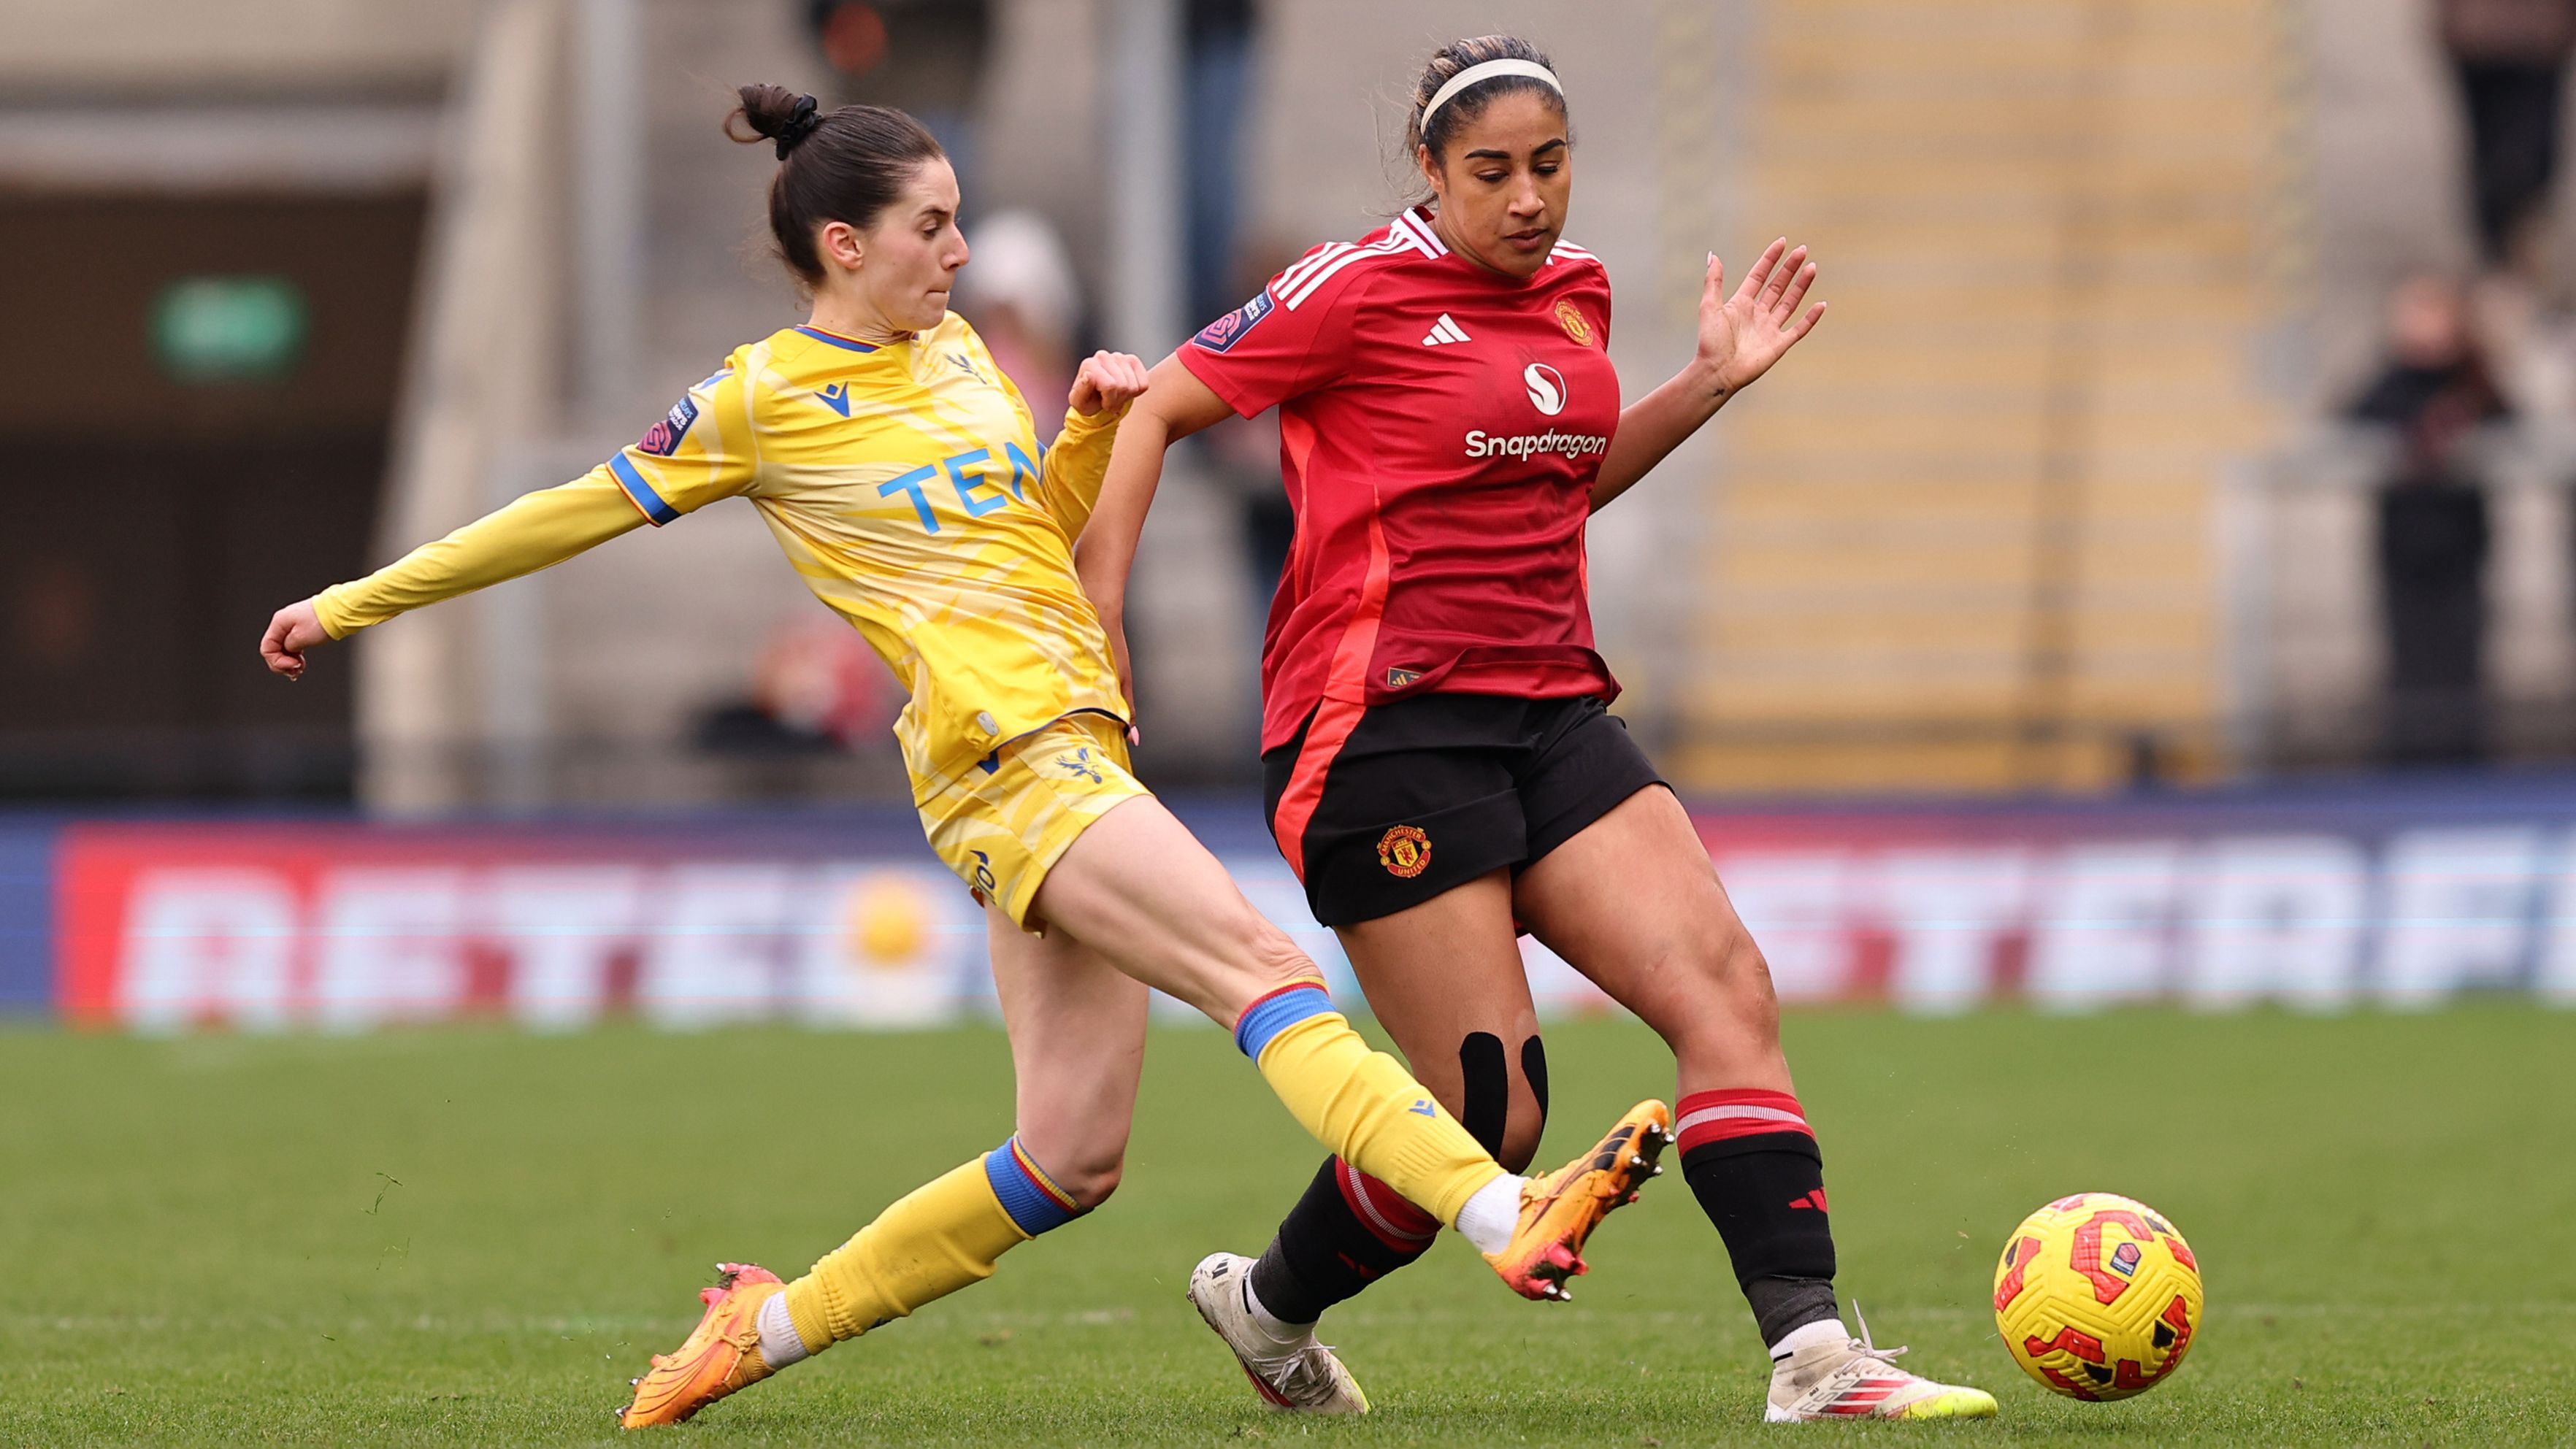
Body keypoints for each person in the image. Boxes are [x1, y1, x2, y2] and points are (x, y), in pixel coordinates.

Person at [256, 87, 1670, 1429]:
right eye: (934, 225)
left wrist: (1087, 435)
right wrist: (348, 605)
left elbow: (1027, 545)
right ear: (844, 245)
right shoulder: (761, 399)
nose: (961, 248)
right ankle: (1501, 1208)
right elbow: (563, 515)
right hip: (1009, 759)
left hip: (1071, 749)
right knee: (1270, 977)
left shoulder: (959, 358)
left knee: (1070, 1157)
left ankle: (764, 1328)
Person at [1076, 36, 1998, 1423]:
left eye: (1550, 167)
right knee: (1493, 1119)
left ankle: (1814, 1356)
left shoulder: (1577, 293)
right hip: (1379, 731)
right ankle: (1266, 1306)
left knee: (1726, 987)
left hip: (1553, 705)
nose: (1528, 201)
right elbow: (1153, 403)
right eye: (1492, 173)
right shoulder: (1350, 289)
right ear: (1431, 175)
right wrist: (1103, 607)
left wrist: (1705, 383)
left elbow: (1558, 485)